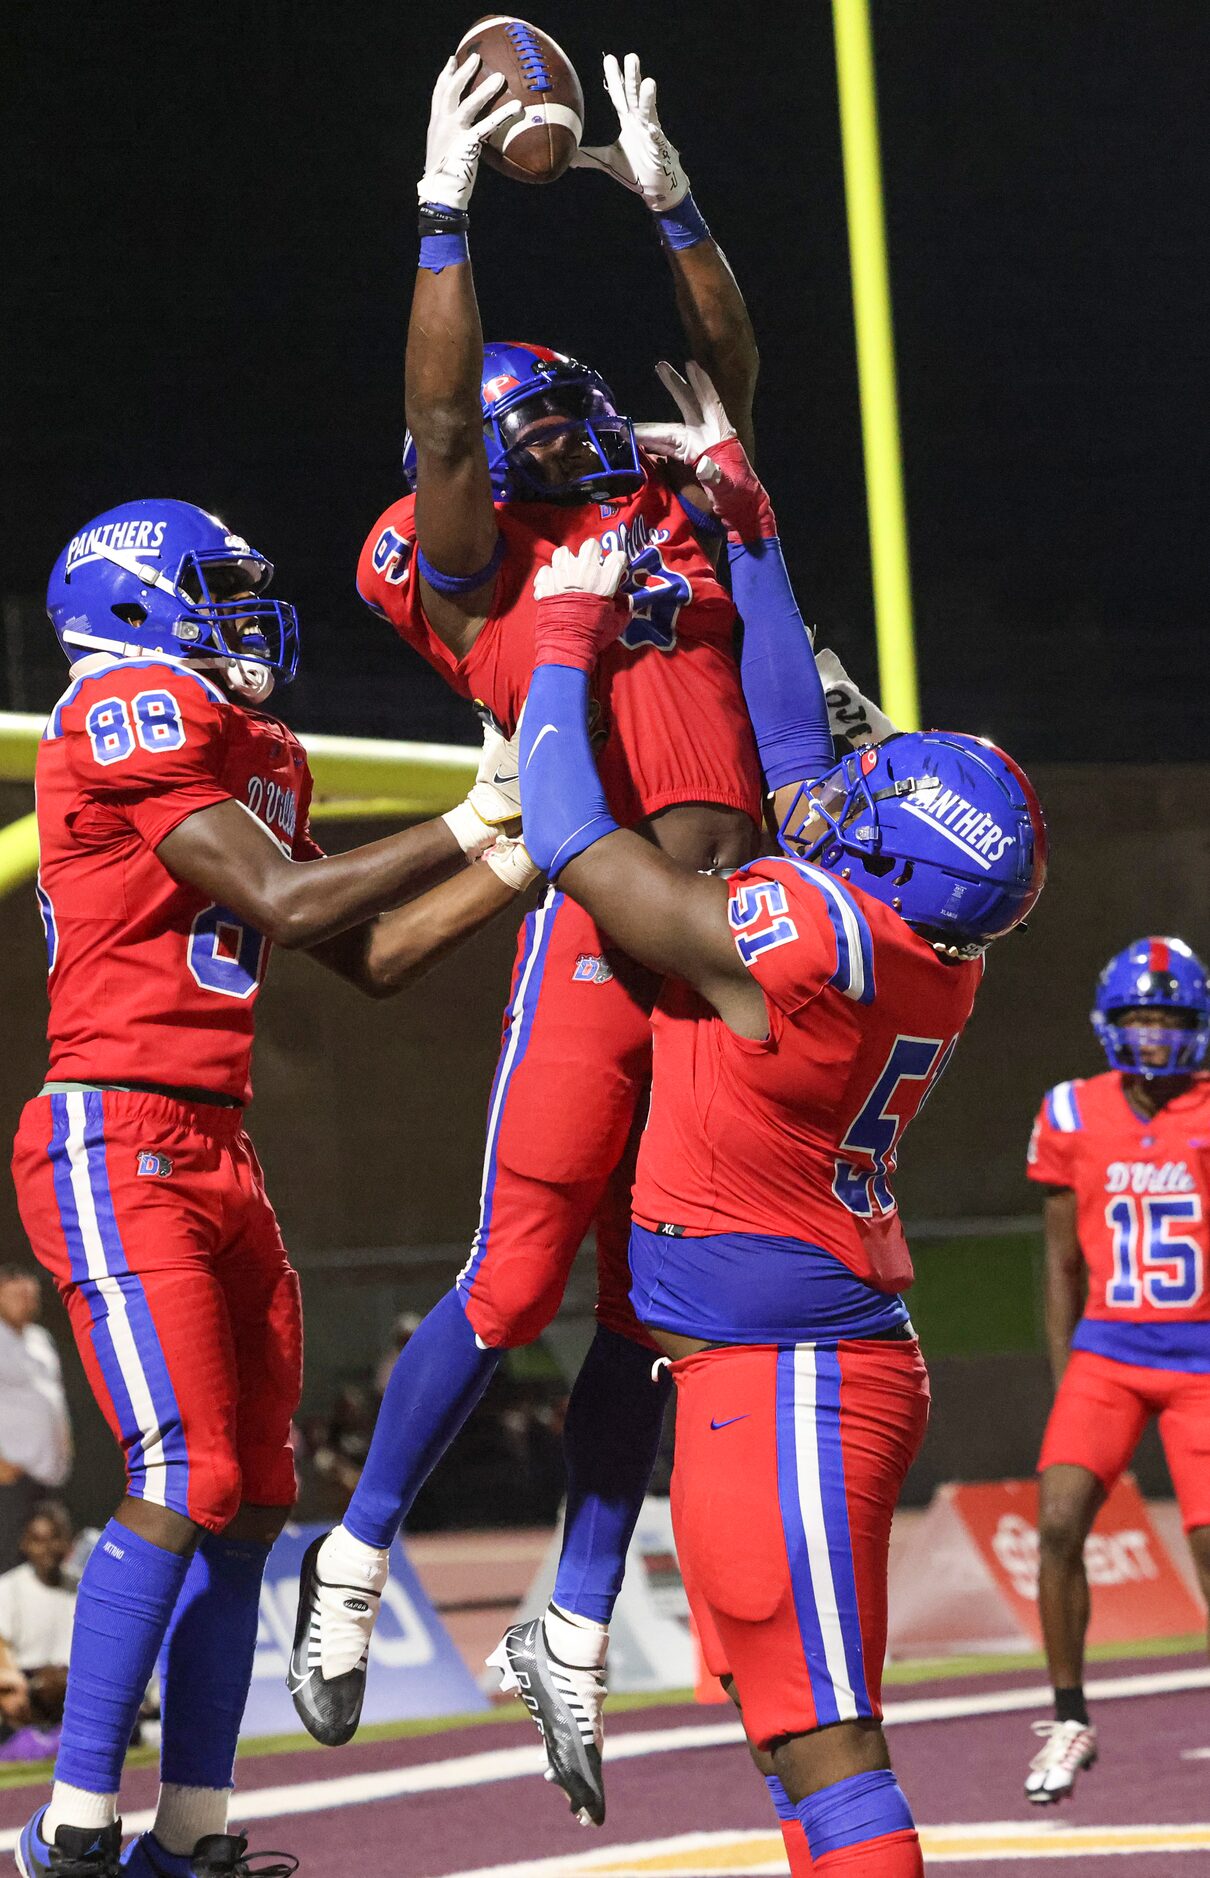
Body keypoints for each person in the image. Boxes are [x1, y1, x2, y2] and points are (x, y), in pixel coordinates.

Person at [290, 47, 767, 1802]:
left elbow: (726, 369)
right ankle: (351, 1565)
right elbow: (435, 439)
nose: (555, 434)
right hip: (605, 927)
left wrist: (669, 199)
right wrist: (443, 208)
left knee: (656, 1301)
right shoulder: (469, 560)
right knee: (515, 1276)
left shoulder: (655, 504)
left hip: (730, 932)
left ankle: (569, 1627)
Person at [505, 375, 1046, 1875]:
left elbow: (575, 844)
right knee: (798, 1747)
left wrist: (558, 643)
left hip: (790, 1376)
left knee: (828, 1751)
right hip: (788, 1357)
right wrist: (743, 516)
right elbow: (808, 765)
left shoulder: (799, 939)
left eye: (877, 799)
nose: (839, 791)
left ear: (893, 853)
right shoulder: (919, 946)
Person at [10, 497, 536, 1878]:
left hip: (216, 1146)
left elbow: (366, 954)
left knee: (252, 1495)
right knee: (179, 1469)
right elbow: (287, 901)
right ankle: (68, 1826)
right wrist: (472, 809)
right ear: (132, 605)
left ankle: (192, 1826)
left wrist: (520, 854)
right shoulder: (122, 706)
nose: (245, 610)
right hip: (113, 1129)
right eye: (215, 587)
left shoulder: (246, 749)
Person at [1023, 937, 1210, 1805]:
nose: (1153, 1035)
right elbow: (1061, 1263)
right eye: (1139, 1017)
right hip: (1110, 1351)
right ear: (1108, 1022)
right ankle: (1067, 1716)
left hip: (1203, 1359)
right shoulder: (1070, 1111)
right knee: (1058, 1524)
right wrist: (1071, 1378)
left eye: (1169, 1019)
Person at [0, 1267, 72, 1572]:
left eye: (31, 1294)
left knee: (43, 1571)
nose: (25, 1300)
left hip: (48, 1477)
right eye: (17, 1294)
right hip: (11, 1478)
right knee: (9, 1568)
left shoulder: (40, 1338)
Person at [0, 1502, 77, 1731]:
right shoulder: (7, 1589)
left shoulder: (85, 1587)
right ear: (25, 1543)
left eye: (55, 1538)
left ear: (67, 1542)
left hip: (75, 1687)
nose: (47, 1548)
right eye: (38, 1540)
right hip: (28, 1689)